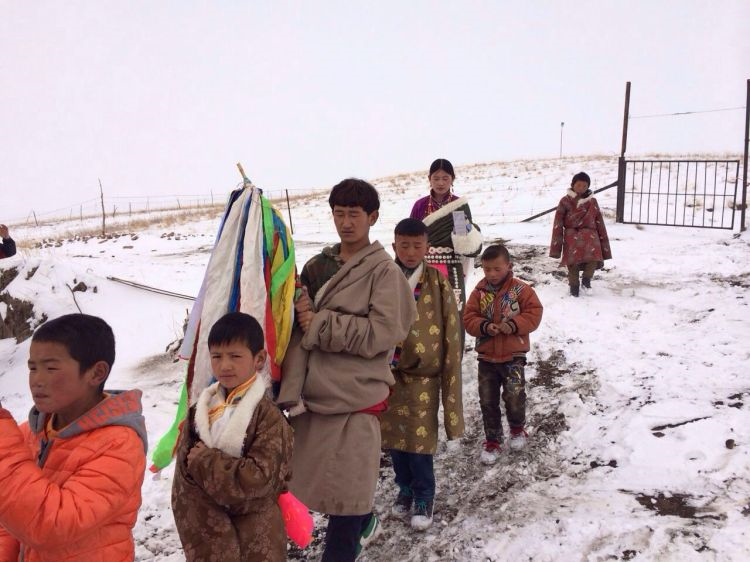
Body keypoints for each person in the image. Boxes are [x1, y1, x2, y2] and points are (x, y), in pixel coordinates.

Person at [278, 179, 416, 561]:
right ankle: (364, 520)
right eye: (339, 214)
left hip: (356, 400)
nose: (346, 223)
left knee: (349, 497)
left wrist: (321, 323)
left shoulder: (384, 272)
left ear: (373, 217)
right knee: (306, 482)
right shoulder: (316, 266)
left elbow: (385, 333)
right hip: (311, 399)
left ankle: (355, 526)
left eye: (354, 214)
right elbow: (293, 325)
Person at [0, 313, 147, 561]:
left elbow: (52, 525)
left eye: (50, 368)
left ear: (96, 373)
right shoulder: (31, 433)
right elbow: (9, 518)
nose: (37, 381)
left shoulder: (119, 445)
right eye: (32, 368)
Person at [172, 312, 293, 562]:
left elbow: (261, 479)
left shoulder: (268, 417)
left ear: (259, 359)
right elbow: (185, 476)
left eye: (235, 356)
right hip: (208, 533)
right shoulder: (200, 411)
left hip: (256, 534)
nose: (224, 365)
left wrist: (207, 462)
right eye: (217, 356)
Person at [379, 218, 464, 532]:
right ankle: (404, 488)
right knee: (394, 441)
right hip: (388, 375)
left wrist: (450, 367)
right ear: (394, 246)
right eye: (404, 245)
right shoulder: (384, 277)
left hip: (423, 377)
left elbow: (451, 328)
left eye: (417, 246)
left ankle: (425, 496)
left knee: (419, 442)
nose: (411, 252)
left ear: (427, 247)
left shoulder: (438, 281)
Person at [464, 245, 543, 464]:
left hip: (513, 357)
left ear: (509, 266)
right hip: (486, 358)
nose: (491, 274)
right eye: (487, 269)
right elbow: (468, 318)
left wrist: (514, 325)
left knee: (514, 396)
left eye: (497, 269)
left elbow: (534, 313)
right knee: (487, 400)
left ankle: (517, 429)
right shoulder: (479, 293)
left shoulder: (521, 290)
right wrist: (484, 326)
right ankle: (493, 440)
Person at [410, 158, 482, 318]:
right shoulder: (420, 205)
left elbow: (463, 239)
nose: (440, 183)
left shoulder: (457, 206)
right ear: (429, 179)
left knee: (451, 314)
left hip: (452, 268)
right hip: (424, 267)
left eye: (445, 178)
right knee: (424, 312)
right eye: (436, 178)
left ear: (452, 179)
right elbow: (411, 235)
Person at [549, 172, 612, 297]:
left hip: (591, 237)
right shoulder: (565, 201)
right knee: (572, 263)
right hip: (572, 236)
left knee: (594, 259)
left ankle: (586, 280)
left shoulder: (593, 201)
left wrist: (603, 242)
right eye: (578, 185)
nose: (581, 188)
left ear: (588, 187)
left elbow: (599, 221)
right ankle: (574, 287)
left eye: (585, 186)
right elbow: (558, 223)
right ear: (572, 185)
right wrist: (556, 248)